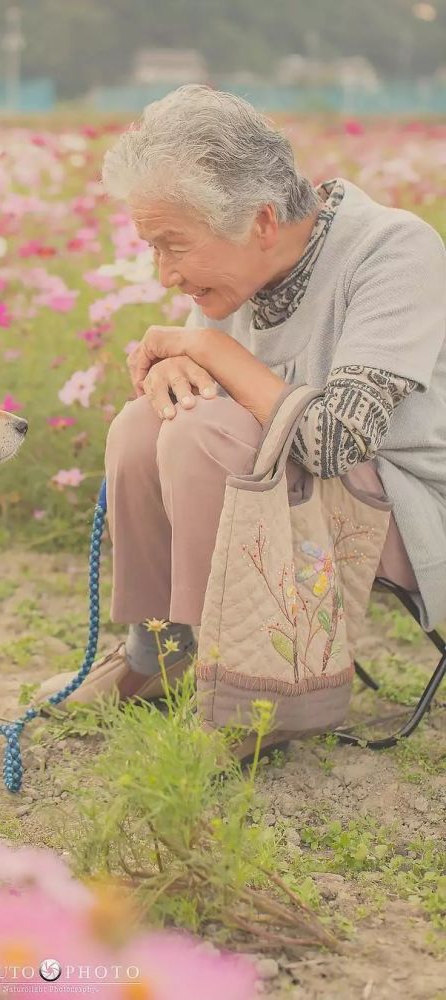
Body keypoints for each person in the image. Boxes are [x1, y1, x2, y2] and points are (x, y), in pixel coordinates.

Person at [37, 86, 446, 752]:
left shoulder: (395, 250)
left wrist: (209, 349)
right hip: (299, 501)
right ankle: (161, 652)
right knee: (148, 423)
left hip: (405, 509)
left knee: (202, 431)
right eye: (152, 249)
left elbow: (339, 440)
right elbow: (223, 396)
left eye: (173, 246)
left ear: (260, 221)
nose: (164, 274)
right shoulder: (238, 272)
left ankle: (250, 692)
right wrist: (173, 376)